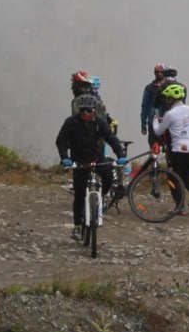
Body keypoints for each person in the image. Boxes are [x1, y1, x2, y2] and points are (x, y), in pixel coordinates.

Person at [57, 93, 128, 240]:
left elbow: (112, 139)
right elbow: (61, 141)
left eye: (89, 110)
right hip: (79, 161)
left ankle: (100, 199)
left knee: (109, 178)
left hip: (97, 158)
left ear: (94, 111)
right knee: (79, 194)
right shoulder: (71, 122)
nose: (86, 113)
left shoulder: (100, 123)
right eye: (83, 110)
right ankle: (77, 227)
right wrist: (65, 158)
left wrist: (121, 155)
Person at [151, 82, 189, 213]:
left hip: (178, 150)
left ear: (171, 99)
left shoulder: (170, 114)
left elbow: (158, 131)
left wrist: (155, 119)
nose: (166, 101)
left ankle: (180, 206)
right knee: (185, 176)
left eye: (168, 98)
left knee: (172, 178)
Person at [140, 64, 176, 142]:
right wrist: (143, 124)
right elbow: (144, 106)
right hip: (153, 121)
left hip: (167, 120)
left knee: (168, 144)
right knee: (154, 146)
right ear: (154, 73)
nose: (159, 73)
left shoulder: (170, 87)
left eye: (161, 72)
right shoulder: (149, 88)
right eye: (157, 72)